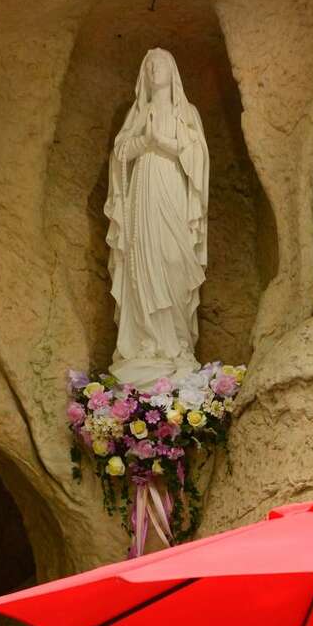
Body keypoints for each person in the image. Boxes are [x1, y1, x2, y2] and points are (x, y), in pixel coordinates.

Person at [106, 48, 210, 389]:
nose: (153, 69)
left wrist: (160, 141)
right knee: (145, 260)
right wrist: (141, 143)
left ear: (172, 70)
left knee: (173, 261)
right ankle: (147, 343)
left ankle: (178, 346)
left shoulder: (187, 113)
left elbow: (196, 155)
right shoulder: (141, 112)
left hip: (172, 190)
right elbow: (120, 152)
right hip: (144, 194)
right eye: (148, 65)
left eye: (160, 63)